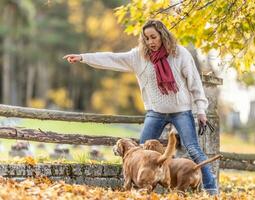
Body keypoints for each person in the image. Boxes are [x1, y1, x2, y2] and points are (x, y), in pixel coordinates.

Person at [63, 19, 218, 195]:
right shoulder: (138, 57)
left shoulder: (179, 54)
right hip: (156, 112)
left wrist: (201, 110)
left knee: (193, 149)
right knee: (140, 151)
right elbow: (111, 58)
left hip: (181, 110)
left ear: (163, 35)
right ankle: (142, 189)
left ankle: (212, 189)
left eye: (154, 37)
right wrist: (83, 57)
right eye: (146, 38)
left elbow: (195, 83)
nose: (151, 42)